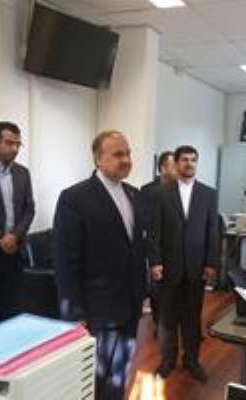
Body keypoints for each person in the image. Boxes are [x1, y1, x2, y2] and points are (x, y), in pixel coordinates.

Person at [53, 131, 147, 400]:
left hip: (130, 306)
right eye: (118, 154)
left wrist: (144, 293)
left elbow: (136, 250)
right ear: (98, 159)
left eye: (128, 153)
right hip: (97, 310)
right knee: (94, 381)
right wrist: (73, 313)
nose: (126, 160)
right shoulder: (75, 198)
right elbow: (65, 261)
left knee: (120, 375)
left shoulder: (134, 194)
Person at [149, 145, 219, 383]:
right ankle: (167, 361)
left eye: (193, 160)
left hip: (196, 267)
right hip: (169, 267)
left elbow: (213, 230)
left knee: (192, 318)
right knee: (167, 320)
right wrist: (155, 261)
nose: (189, 164)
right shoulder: (161, 194)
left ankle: (192, 361)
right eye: (185, 160)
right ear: (176, 164)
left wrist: (211, 262)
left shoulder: (208, 194)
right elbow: (154, 231)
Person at [0, 121, 35, 327]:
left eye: (18, 144)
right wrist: (0, 238)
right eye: (9, 143)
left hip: (15, 253)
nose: (14, 149)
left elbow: (29, 209)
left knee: (12, 313)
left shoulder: (23, 173)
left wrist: (15, 236)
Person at [141, 151, 177, 328]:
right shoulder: (147, 190)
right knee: (157, 287)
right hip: (154, 245)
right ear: (162, 168)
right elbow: (144, 219)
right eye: (173, 165)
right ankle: (159, 322)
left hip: (175, 246)